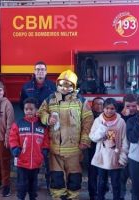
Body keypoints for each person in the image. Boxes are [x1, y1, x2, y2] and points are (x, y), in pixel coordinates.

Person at [38, 70, 94, 200]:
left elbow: (88, 121)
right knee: (56, 176)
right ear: (57, 84)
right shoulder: (49, 99)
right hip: (55, 148)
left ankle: (73, 197)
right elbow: (40, 113)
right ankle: (58, 196)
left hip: (74, 148)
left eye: (69, 85)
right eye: (62, 84)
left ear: (74, 87)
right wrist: (47, 118)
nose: (64, 88)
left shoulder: (81, 101)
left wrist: (85, 139)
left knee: (74, 176)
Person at [19, 61, 56, 191]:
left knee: (48, 156)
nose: (40, 71)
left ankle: (50, 184)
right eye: (37, 69)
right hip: (32, 125)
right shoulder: (26, 86)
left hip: (47, 125)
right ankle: (30, 185)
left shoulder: (53, 86)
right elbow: (21, 105)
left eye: (42, 69)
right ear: (34, 71)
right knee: (31, 153)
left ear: (46, 72)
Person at [9, 97, 50, 200]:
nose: (29, 111)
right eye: (26, 109)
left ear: (36, 110)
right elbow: (13, 137)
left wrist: (44, 150)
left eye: (31, 109)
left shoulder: (41, 125)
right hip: (22, 161)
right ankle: (21, 197)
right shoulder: (18, 123)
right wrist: (15, 148)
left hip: (36, 162)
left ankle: (33, 197)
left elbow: (46, 139)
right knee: (22, 184)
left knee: (34, 184)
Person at [89, 98, 128, 200]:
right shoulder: (98, 121)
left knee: (116, 183)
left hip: (116, 156)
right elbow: (93, 137)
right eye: (107, 108)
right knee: (101, 182)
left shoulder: (121, 122)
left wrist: (123, 158)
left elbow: (125, 141)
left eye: (112, 108)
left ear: (116, 109)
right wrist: (102, 129)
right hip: (102, 156)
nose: (109, 111)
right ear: (103, 108)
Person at [119, 94, 138, 199]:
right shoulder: (119, 116)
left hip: (135, 154)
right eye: (128, 106)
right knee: (120, 180)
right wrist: (122, 117)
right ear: (123, 105)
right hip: (121, 153)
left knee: (135, 182)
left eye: (133, 106)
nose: (131, 109)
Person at [87, 97, 105, 200]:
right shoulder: (89, 117)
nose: (99, 106)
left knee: (103, 171)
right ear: (92, 106)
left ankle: (102, 193)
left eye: (101, 104)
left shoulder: (108, 116)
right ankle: (92, 194)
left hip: (105, 149)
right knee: (93, 172)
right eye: (96, 104)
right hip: (93, 148)